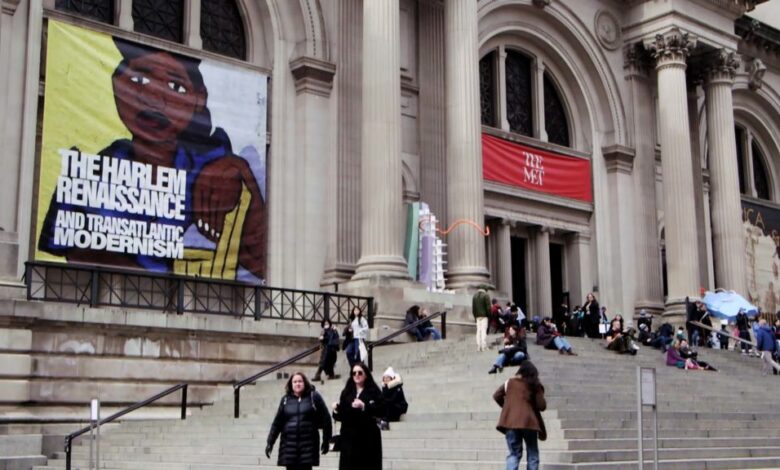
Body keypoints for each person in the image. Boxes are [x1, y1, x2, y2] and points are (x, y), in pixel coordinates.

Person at [39, 38, 267, 280]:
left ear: (199, 98)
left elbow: (259, 266)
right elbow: (71, 253)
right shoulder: (88, 172)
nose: (155, 100)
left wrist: (245, 181)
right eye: (139, 81)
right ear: (116, 84)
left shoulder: (215, 165)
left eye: (175, 86)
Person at [266, 373, 332, 470]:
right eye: (295, 382)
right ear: (291, 384)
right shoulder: (285, 400)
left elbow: (326, 419)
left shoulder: (314, 397)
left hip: (308, 447)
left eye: (300, 381)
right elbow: (277, 423)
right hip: (289, 447)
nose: (297, 384)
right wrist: (270, 442)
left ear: (305, 383)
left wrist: (326, 440)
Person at [493, 361, 547, 470]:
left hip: (510, 422)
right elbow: (542, 406)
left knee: (514, 454)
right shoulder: (534, 384)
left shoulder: (509, 382)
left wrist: (508, 408)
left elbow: (496, 396)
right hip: (529, 422)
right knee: (532, 454)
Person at [332, 362, 385, 470]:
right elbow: (341, 416)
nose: (356, 375)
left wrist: (364, 406)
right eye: (354, 373)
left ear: (366, 374)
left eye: (360, 372)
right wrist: (336, 410)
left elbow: (382, 410)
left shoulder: (374, 391)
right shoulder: (346, 392)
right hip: (349, 439)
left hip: (368, 438)